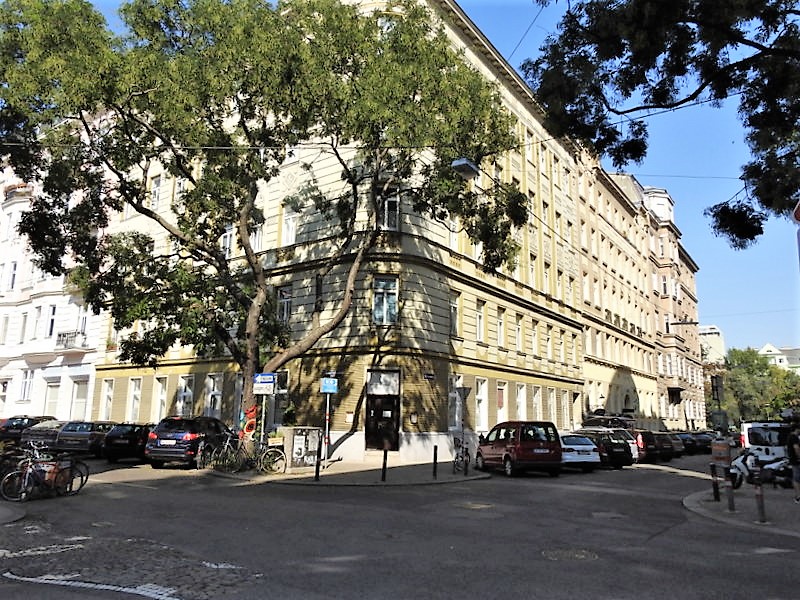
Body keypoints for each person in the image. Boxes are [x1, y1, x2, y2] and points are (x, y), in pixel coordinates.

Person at [788, 422, 800, 504]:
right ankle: (798, 496)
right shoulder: (794, 437)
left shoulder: (789, 437)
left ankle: (798, 496)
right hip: (796, 461)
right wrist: (799, 457)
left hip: (793, 460)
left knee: (796, 479)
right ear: (797, 429)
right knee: (796, 479)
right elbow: (796, 448)